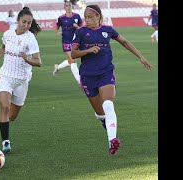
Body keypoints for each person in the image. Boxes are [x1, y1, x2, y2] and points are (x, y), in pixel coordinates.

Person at [71, 4, 153, 155]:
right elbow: (73, 54)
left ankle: (112, 141)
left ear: (99, 17)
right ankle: (105, 122)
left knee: (108, 104)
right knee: (100, 113)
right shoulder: (81, 32)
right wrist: (89, 50)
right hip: (88, 76)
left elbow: (124, 42)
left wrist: (141, 57)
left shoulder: (107, 30)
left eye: (90, 17)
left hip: (106, 73)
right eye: (85, 17)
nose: (87, 20)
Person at [0, 7, 42, 153]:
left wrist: (27, 59)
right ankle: (6, 142)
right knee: (4, 107)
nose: (26, 25)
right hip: (5, 76)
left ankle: (8, 112)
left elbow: (39, 62)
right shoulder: (8, 34)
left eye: (29, 23)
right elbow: (3, 47)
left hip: (22, 81)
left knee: (12, 116)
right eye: (24, 22)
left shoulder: (30, 38)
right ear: (18, 21)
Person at [52, 0, 83, 87]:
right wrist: (57, 32)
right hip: (66, 41)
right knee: (73, 61)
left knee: (70, 61)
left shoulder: (77, 16)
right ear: (64, 8)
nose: (68, 7)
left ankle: (57, 67)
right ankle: (80, 81)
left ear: (72, 7)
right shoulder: (61, 18)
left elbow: (82, 26)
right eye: (66, 6)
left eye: (70, 6)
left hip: (75, 41)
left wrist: (78, 27)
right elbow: (57, 26)